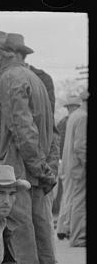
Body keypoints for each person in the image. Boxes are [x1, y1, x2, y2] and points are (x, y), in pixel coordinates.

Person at [0, 31, 57, 264]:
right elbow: (52, 133)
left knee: (19, 239)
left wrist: (39, 168)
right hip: (32, 173)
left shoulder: (10, 79)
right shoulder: (33, 78)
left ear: (1, 54)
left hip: (15, 174)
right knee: (42, 238)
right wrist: (46, 170)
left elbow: (23, 129)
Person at [57, 91, 87, 247]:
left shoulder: (71, 118)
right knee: (77, 200)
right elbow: (80, 146)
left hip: (68, 163)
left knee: (70, 198)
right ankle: (74, 234)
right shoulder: (82, 117)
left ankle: (66, 229)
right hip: (76, 165)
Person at [54, 95, 82, 226]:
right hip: (70, 162)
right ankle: (66, 224)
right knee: (69, 194)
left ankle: (63, 225)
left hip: (63, 161)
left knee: (65, 194)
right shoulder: (77, 121)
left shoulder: (63, 122)